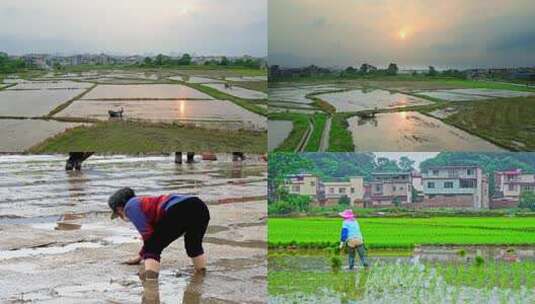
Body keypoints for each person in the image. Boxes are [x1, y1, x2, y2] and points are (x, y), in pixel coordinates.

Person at [108, 187, 210, 303]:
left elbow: (148, 236)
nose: (122, 217)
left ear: (119, 208)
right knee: (193, 246)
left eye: (119, 214)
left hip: (179, 209)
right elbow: (155, 236)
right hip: (199, 207)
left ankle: (151, 284)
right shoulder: (145, 203)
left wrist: (145, 254)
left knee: (153, 248)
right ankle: (201, 274)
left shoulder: (130, 206)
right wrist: (140, 255)